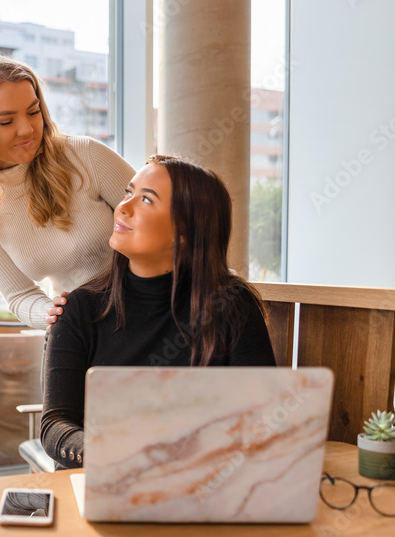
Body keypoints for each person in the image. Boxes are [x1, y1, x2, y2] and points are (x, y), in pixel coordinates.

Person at [41, 155, 277, 469]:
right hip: (99, 479)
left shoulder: (232, 305)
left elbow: (261, 416)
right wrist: (109, 452)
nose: (123, 207)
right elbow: (55, 424)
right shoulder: (78, 310)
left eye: (147, 200)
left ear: (185, 231)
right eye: (128, 192)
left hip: (201, 481)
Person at [0, 52, 135, 329]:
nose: (27, 129)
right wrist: (52, 311)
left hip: (145, 316)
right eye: (6, 121)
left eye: (34, 112)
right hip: (79, 332)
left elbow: (166, 227)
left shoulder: (87, 157)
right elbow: (19, 295)